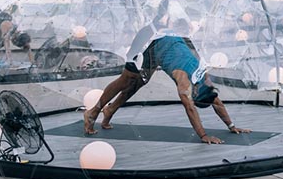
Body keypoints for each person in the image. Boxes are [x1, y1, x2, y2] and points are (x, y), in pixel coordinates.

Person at [83, 35, 248, 144]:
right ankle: (94, 111)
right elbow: (190, 109)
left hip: (167, 45)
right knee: (126, 80)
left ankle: (110, 110)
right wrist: (203, 136)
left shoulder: (205, 81)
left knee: (138, 84)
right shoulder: (184, 84)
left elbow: (216, 102)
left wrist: (232, 126)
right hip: (150, 44)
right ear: (195, 93)